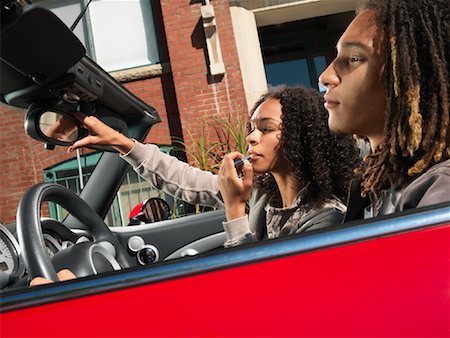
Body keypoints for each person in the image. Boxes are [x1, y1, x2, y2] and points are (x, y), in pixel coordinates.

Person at [67, 86, 358, 247]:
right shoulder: (261, 191)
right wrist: (123, 144)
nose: (251, 137)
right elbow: (184, 179)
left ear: (300, 138)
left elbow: (259, 287)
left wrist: (234, 210)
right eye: (251, 128)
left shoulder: (326, 217)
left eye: (265, 130)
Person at [318, 0, 450, 221]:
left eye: (353, 59)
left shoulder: (441, 192)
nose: (325, 77)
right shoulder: (372, 186)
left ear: (413, 78)